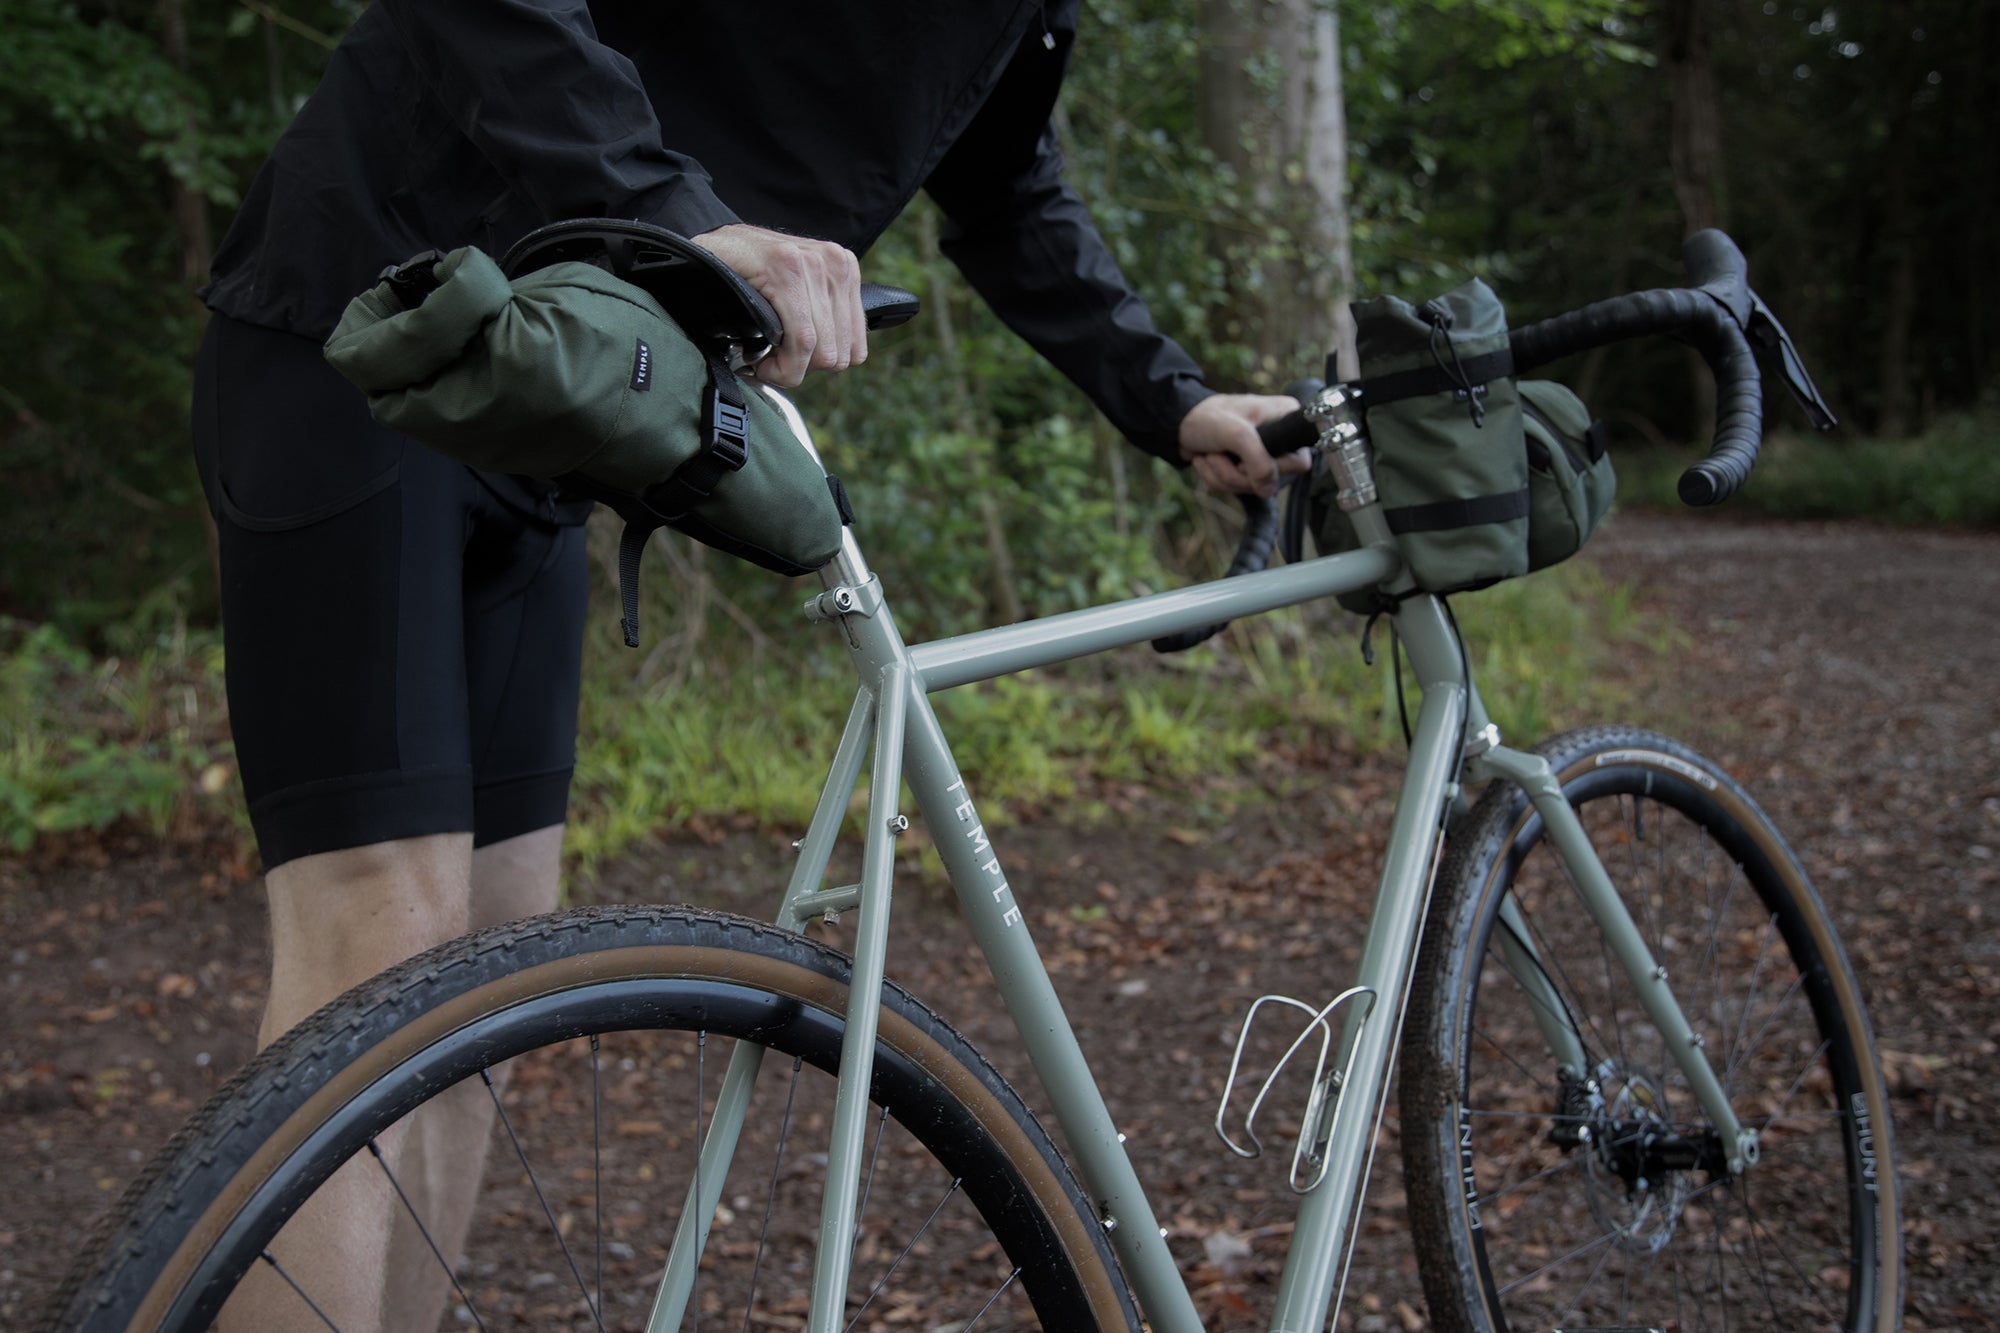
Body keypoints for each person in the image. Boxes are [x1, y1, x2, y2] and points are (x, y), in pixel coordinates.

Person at [192, 1, 1306, 1327]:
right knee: (382, 936)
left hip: (557, 412)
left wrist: (1169, 397)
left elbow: (1007, 191)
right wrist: (674, 209)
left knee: (491, 948)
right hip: (374, 316)